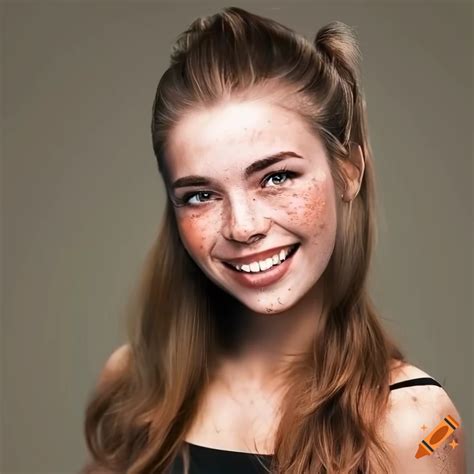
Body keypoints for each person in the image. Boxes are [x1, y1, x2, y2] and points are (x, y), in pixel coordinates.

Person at [82, 7, 466, 474]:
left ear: (348, 171)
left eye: (277, 176)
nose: (242, 227)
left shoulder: (413, 423)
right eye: (200, 195)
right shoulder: (133, 384)